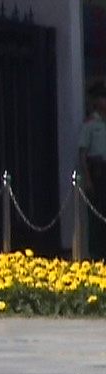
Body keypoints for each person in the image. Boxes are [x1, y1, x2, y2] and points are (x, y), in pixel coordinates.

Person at [79, 84, 106, 258]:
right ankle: (97, 252)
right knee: (97, 212)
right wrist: (87, 179)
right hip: (97, 171)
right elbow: (82, 152)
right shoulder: (90, 124)